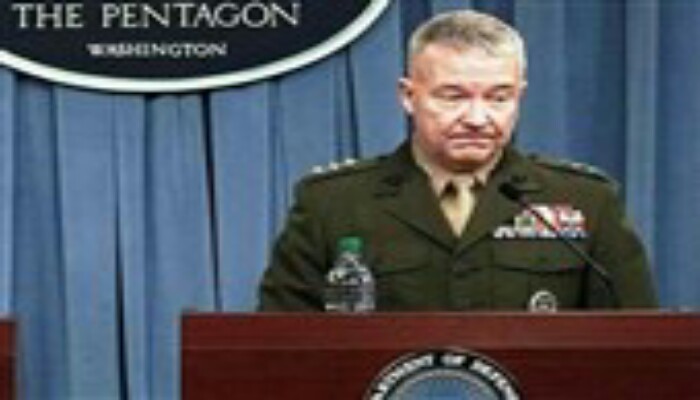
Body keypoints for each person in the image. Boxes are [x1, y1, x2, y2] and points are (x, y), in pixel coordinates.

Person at [257, 10, 657, 311]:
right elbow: (281, 344)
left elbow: (635, 345)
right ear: (408, 96)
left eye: (498, 97)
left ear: (519, 96)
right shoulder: (333, 203)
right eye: (454, 96)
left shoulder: (586, 200)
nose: (478, 118)